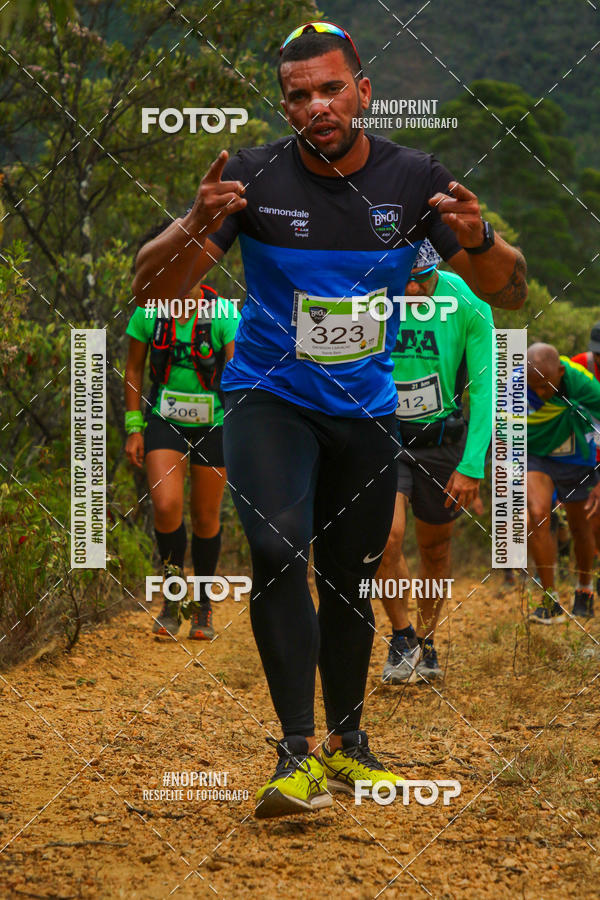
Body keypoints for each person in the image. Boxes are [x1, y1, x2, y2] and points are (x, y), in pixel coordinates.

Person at [132, 21, 526, 818]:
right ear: (284, 105)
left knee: (351, 576)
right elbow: (149, 287)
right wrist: (194, 222)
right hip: (269, 397)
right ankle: (294, 754)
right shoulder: (249, 177)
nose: (317, 105)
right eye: (299, 94)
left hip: (366, 410)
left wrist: (480, 238)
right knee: (277, 549)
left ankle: (349, 747)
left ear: (362, 92)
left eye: (331, 88)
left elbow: (508, 290)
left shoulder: (414, 179)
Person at [376, 240, 493, 683]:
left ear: (437, 268)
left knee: (435, 548)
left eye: (421, 278)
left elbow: (485, 388)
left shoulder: (467, 299)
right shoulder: (372, 291)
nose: (411, 289)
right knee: (386, 538)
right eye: (403, 279)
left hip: (441, 440)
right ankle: (401, 636)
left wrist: (472, 465)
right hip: (384, 436)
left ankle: (426, 642)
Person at [125, 236, 239, 640]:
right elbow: (134, 369)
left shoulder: (223, 313)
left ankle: (203, 606)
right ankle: (172, 599)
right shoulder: (149, 311)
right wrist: (134, 426)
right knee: (166, 505)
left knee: (206, 516)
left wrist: (241, 427)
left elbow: (236, 371)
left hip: (215, 421)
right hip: (164, 418)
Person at [526, 343, 600, 623]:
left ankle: (585, 589)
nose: (540, 393)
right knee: (537, 516)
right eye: (534, 387)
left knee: (581, 526)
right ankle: (550, 600)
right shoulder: (514, 385)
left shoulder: (583, 383)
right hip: (537, 455)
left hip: (576, 455)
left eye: (545, 385)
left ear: (560, 371)